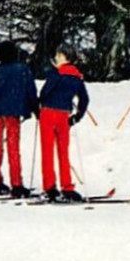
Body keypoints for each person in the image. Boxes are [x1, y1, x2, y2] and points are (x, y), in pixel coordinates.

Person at [0, 40, 37, 197]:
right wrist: (34, 108)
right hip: (13, 112)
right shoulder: (23, 70)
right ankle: (16, 183)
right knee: (13, 148)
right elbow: (30, 90)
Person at [37, 45, 89, 202]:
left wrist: (39, 103)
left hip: (48, 112)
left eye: (59, 56)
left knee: (47, 151)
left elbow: (45, 92)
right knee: (63, 151)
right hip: (64, 114)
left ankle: (50, 187)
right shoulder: (77, 76)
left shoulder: (57, 73)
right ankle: (67, 186)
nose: (56, 58)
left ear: (65, 57)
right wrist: (77, 116)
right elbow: (84, 99)